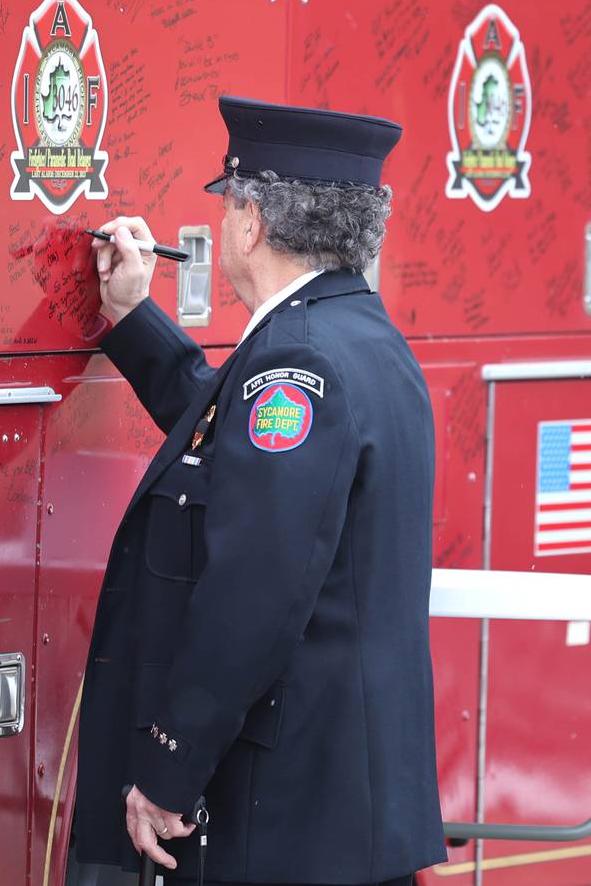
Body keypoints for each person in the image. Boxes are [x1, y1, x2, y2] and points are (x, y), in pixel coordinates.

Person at [74, 96, 446, 886]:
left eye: (231, 202)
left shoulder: (297, 362)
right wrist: (135, 316)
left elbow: (252, 597)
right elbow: (232, 440)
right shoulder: (362, 341)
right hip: (346, 814)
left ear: (250, 223)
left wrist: (169, 766)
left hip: (289, 821)